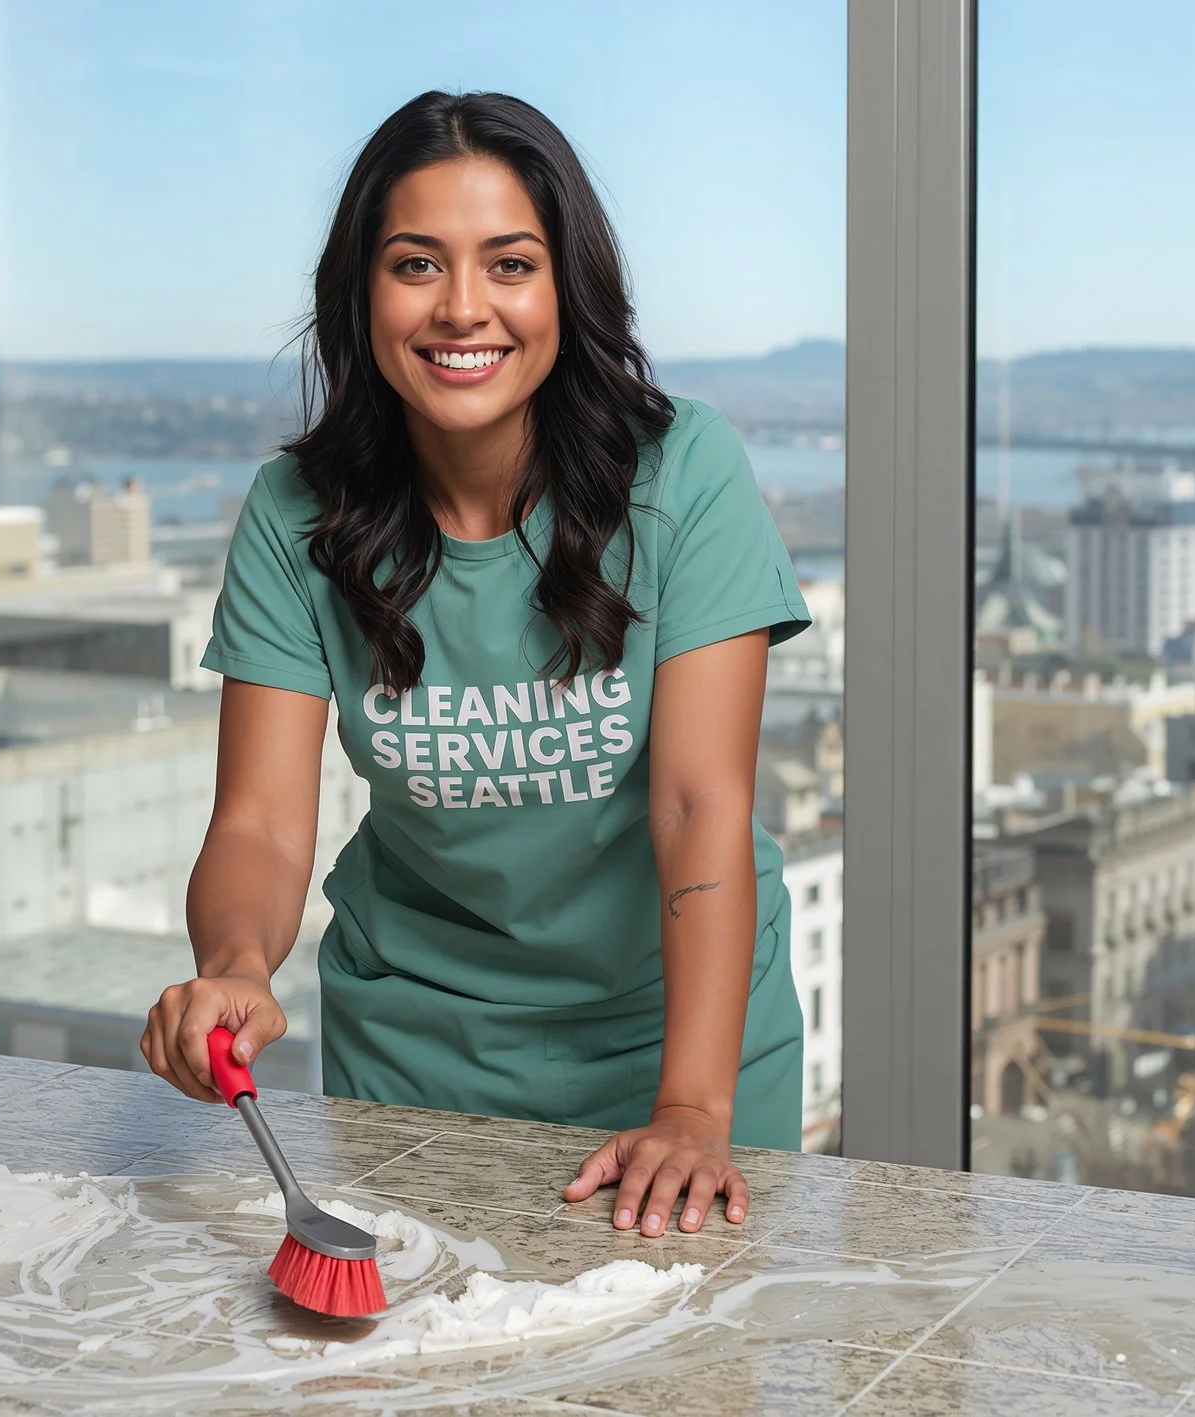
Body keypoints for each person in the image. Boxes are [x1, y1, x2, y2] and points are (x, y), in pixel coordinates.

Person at [139, 90, 810, 1241]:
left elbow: (700, 804)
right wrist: (237, 965)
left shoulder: (682, 470)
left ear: (566, 288)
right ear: (360, 292)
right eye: (416, 264)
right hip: (414, 1052)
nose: (462, 307)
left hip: (679, 1044)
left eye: (509, 264)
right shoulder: (294, 512)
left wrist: (694, 1109)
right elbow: (260, 822)